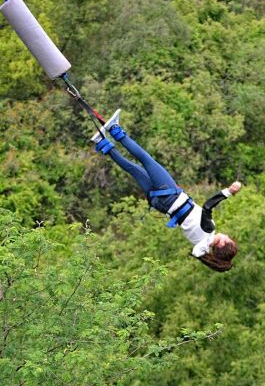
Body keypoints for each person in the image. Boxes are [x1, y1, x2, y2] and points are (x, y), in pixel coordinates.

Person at [91, 109, 242, 272]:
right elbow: (198, 253)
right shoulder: (199, 247)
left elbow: (207, 207)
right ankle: (102, 142)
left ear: (221, 244)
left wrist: (228, 192)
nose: (226, 235)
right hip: (160, 204)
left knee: (145, 159)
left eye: (227, 239)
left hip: (170, 194)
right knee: (133, 169)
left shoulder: (209, 230)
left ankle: (114, 129)